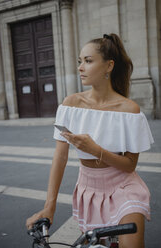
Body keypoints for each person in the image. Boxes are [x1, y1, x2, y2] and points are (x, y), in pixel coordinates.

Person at [26, 33, 154, 248]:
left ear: (108, 66)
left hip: (124, 188)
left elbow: (130, 165)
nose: (80, 67)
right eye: (79, 61)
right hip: (89, 190)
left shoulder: (129, 110)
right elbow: (60, 156)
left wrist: (95, 150)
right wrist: (50, 206)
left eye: (88, 61)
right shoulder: (70, 104)